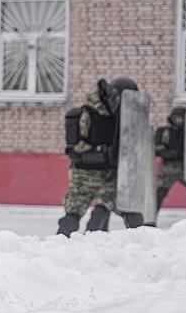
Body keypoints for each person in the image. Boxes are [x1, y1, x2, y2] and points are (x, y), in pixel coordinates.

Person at [57, 77, 145, 235]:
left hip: (111, 174)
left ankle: (145, 246)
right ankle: (57, 248)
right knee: (72, 215)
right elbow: (78, 147)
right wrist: (102, 151)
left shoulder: (124, 115)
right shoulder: (89, 113)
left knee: (123, 211)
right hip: (85, 173)